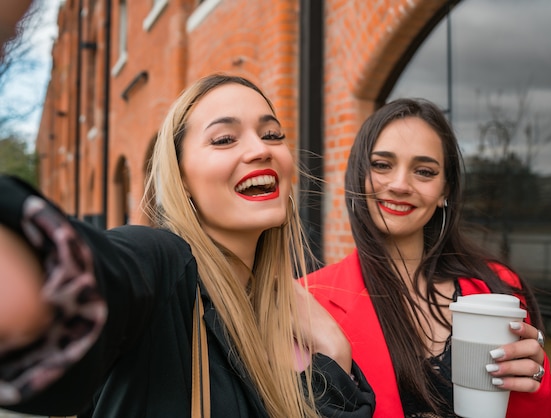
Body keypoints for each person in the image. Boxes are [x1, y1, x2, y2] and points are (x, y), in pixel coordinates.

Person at [0, 74, 375, 417]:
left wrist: (334, 354)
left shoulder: (294, 324)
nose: (261, 149)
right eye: (224, 139)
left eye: (272, 134)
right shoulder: (164, 266)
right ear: (181, 178)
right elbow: (96, 271)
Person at [303, 98, 551, 418]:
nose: (400, 185)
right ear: (359, 176)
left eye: (424, 171)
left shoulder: (496, 286)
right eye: (382, 165)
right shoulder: (309, 300)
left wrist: (536, 380)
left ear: (445, 191)